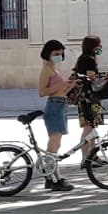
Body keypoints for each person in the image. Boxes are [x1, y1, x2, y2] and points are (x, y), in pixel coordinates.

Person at [35, 40, 75, 192]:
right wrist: (61, 85)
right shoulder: (46, 70)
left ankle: (51, 175)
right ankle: (55, 177)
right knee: (54, 144)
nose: (59, 56)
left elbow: (59, 89)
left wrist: (69, 85)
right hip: (54, 106)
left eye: (61, 54)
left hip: (61, 104)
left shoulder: (54, 69)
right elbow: (42, 92)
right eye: (56, 54)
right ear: (48, 54)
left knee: (56, 143)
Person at [71, 36, 107, 165]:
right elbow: (92, 78)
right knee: (88, 127)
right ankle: (86, 157)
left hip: (86, 98)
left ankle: (92, 155)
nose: (100, 47)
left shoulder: (82, 58)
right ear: (93, 46)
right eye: (99, 44)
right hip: (89, 99)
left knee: (92, 127)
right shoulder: (89, 60)